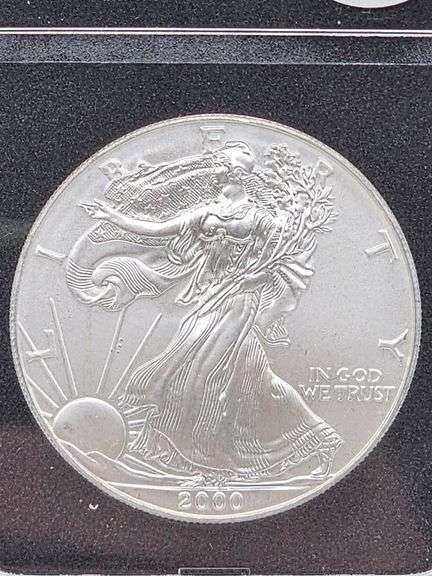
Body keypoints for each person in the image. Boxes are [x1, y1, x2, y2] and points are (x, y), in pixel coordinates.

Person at [83, 141, 342, 483]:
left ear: (236, 173)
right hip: (210, 297)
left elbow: (283, 260)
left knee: (203, 373)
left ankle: (206, 457)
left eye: (221, 164)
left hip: (239, 301)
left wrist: (254, 277)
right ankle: (315, 441)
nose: (215, 168)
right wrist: (115, 218)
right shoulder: (207, 212)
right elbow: (159, 229)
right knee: (253, 380)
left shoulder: (258, 218)